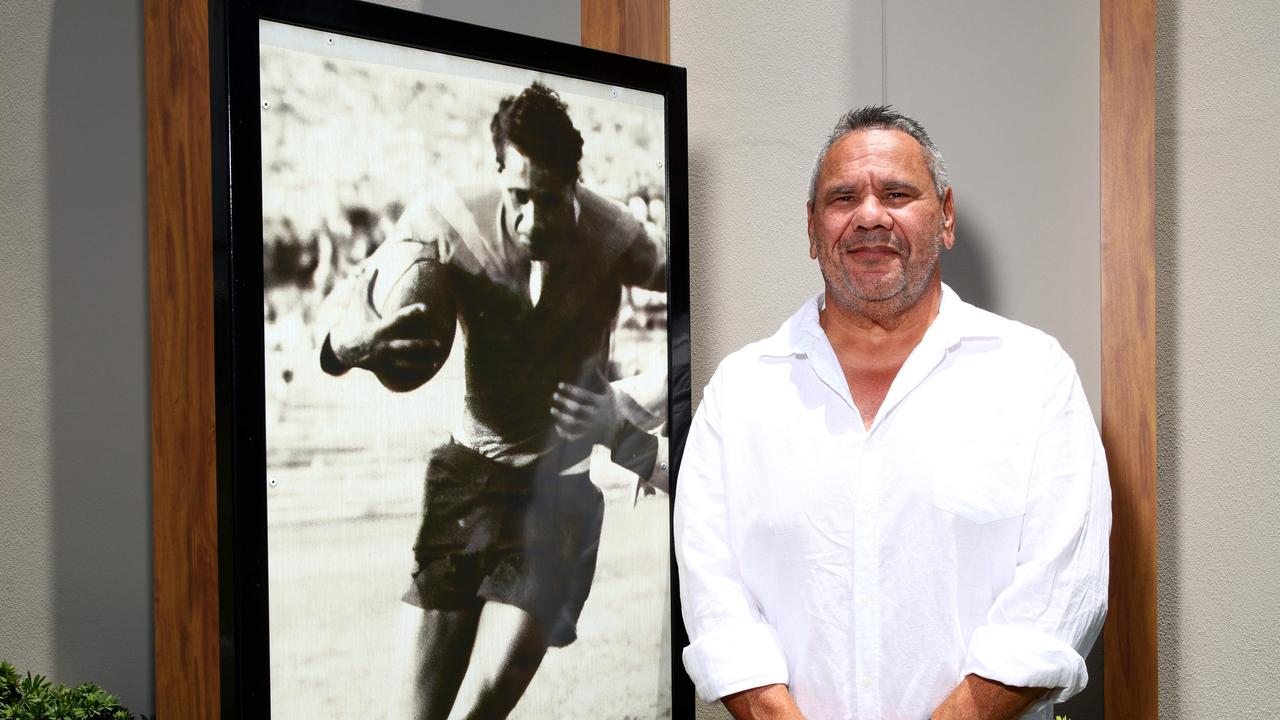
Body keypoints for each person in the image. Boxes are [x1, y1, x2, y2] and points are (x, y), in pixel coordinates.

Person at [673, 106, 1110, 720]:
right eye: (843, 197)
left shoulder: (1034, 377)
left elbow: (1056, 604)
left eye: (898, 194)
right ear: (811, 227)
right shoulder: (740, 393)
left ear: (946, 217)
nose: (870, 216)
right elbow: (717, 607)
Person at [319, 82, 669, 719]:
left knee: (482, 714)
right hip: (466, 485)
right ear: (498, 171)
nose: (532, 218)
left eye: (551, 200)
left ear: (576, 184)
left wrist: (627, 413)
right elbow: (344, 323)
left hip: (556, 497)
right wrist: (352, 346)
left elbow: (704, 306)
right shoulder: (442, 221)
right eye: (518, 196)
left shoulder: (617, 235)